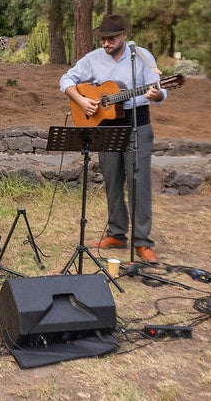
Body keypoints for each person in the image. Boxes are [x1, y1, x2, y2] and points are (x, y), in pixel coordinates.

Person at [59, 14, 167, 264]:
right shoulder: (93, 59)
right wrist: (81, 100)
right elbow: (65, 79)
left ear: (124, 36)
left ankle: (142, 241)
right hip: (105, 126)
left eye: (111, 39)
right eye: (103, 40)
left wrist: (157, 94)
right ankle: (117, 233)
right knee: (112, 180)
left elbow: (160, 90)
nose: (106, 44)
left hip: (136, 123)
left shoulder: (140, 56)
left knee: (138, 182)